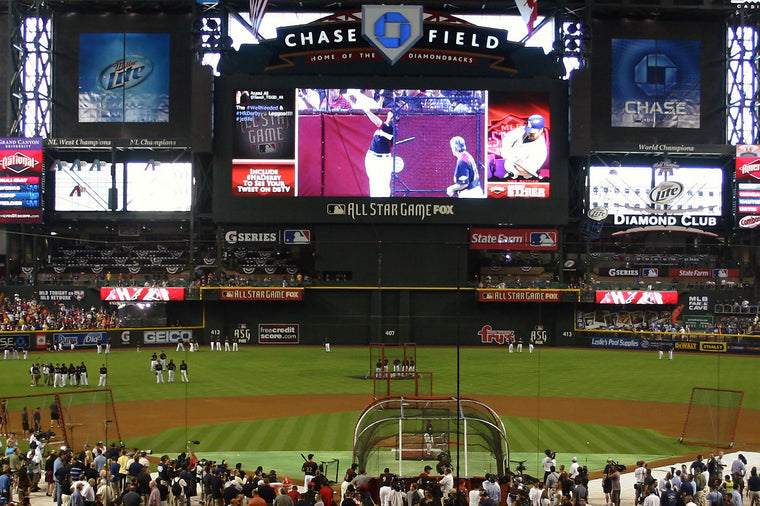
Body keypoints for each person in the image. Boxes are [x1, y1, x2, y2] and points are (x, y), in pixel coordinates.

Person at [498, 114, 547, 179]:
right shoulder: (521, 131)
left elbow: (524, 171)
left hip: (528, 180)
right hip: (510, 176)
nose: (529, 133)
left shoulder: (541, 148)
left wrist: (513, 159)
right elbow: (507, 139)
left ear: (541, 130)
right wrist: (506, 150)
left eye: (532, 132)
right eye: (528, 130)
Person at [363, 109, 396, 197]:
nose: (390, 116)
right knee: (374, 185)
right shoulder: (388, 125)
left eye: (393, 115)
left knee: (383, 187)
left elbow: (378, 123)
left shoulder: (392, 128)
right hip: (372, 157)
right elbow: (386, 123)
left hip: (382, 160)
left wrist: (367, 111)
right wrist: (389, 116)